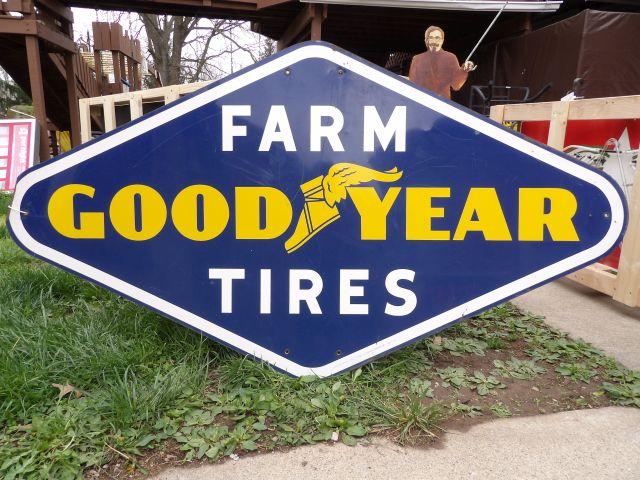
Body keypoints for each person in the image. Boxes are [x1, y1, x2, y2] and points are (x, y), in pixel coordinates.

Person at [409, 26, 476, 100]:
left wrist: (464, 70)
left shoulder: (450, 58)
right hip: (422, 101)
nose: (434, 41)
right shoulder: (417, 59)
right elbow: (412, 84)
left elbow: (456, 85)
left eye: (437, 38)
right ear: (427, 40)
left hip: (442, 102)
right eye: (431, 37)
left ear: (442, 40)